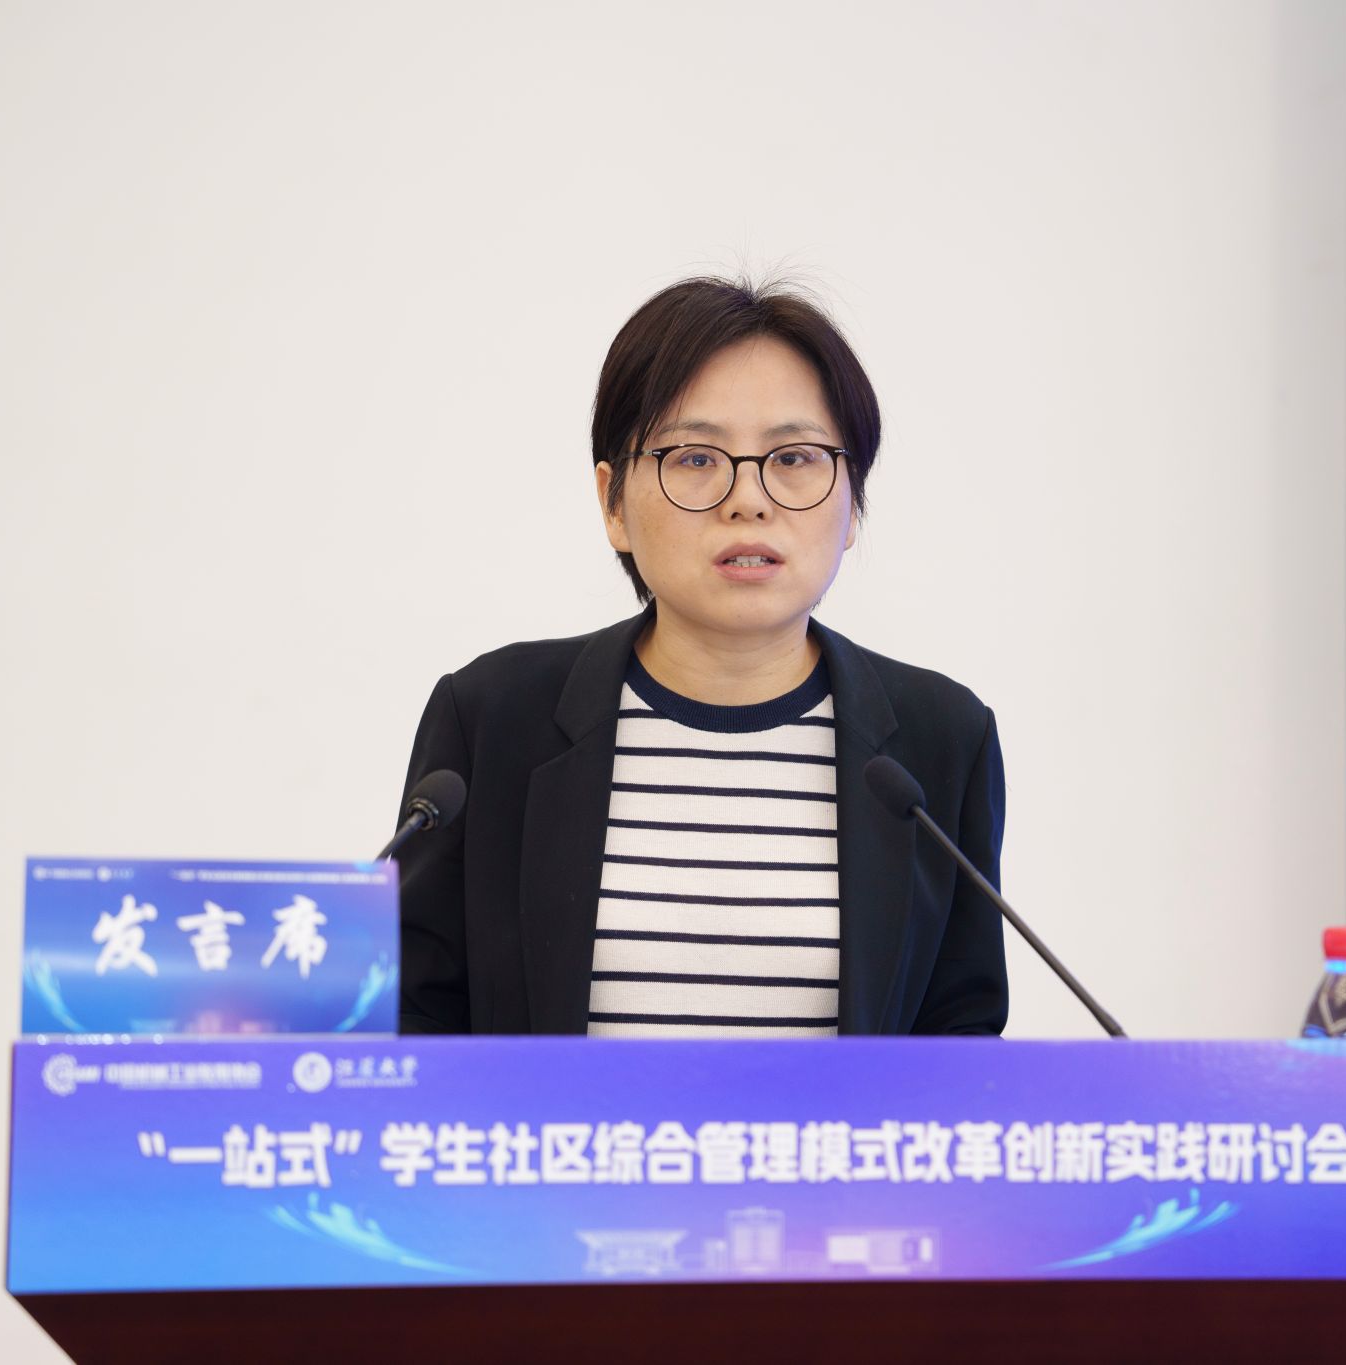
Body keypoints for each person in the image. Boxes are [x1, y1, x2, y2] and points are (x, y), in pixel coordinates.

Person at [393, 273, 1007, 1036]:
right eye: (694, 457)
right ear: (614, 503)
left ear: (853, 502)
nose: (748, 499)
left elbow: (961, 1044)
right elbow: (415, 1023)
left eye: (795, 457)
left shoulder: (941, 741)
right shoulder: (491, 720)